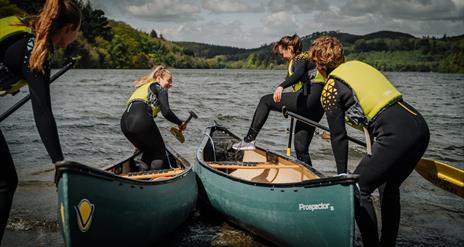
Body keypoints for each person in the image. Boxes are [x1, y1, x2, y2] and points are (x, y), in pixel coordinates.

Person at [308, 36, 430, 246]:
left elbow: (339, 137)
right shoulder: (359, 66)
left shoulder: (330, 88)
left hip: (394, 134)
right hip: (418, 126)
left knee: (358, 189)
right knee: (388, 187)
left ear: (319, 65)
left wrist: (342, 178)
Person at [0, 0, 81, 243]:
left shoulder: (23, 29)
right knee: (5, 182)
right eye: (77, 32)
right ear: (68, 28)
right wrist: (59, 163)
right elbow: (43, 112)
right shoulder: (35, 50)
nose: (76, 38)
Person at [233, 34, 325, 166]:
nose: (282, 57)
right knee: (301, 147)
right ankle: (311, 177)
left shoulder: (299, 59)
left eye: (282, 53)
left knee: (265, 101)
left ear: (290, 48)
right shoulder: (307, 58)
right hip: (318, 106)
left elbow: (298, 74)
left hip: (310, 98)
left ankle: (249, 140)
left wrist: (281, 86)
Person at [121, 66, 184, 170]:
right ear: (159, 78)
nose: (171, 84)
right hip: (140, 121)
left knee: (147, 151)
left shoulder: (143, 87)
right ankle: (153, 180)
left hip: (124, 123)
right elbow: (166, 112)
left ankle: (141, 176)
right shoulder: (160, 88)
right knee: (159, 152)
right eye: (169, 80)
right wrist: (179, 123)